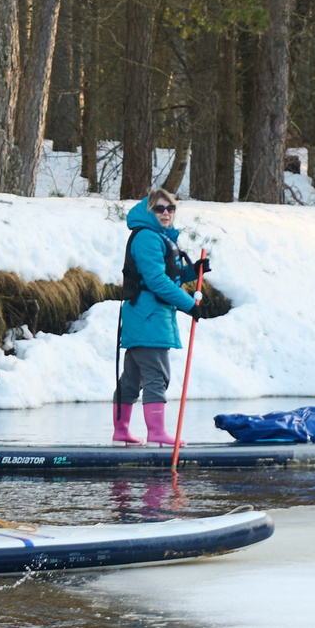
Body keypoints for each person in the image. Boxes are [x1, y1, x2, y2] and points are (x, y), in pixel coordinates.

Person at [114, 189, 204, 445]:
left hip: (146, 316)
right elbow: (156, 281)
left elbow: (167, 275)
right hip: (148, 317)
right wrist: (190, 305)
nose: (166, 213)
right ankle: (156, 433)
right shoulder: (148, 238)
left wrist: (193, 272)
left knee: (132, 378)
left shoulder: (157, 237)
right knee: (157, 375)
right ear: (149, 211)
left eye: (170, 208)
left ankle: (121, 432)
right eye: (159, 209)